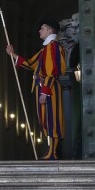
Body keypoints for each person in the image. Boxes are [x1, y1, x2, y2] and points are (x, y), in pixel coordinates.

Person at [6, 18, 66, 160]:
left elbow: (53, 71)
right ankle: (50, 150)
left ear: (50, 30)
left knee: (52, 119)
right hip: (43, 87)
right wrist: (12, 54)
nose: (40, 30)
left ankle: (53, 151)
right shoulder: (44, 50)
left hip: (49, 88)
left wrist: (45, 92)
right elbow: (31, 64)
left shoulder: (53, 47)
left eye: (43, 28)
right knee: (45, 120)